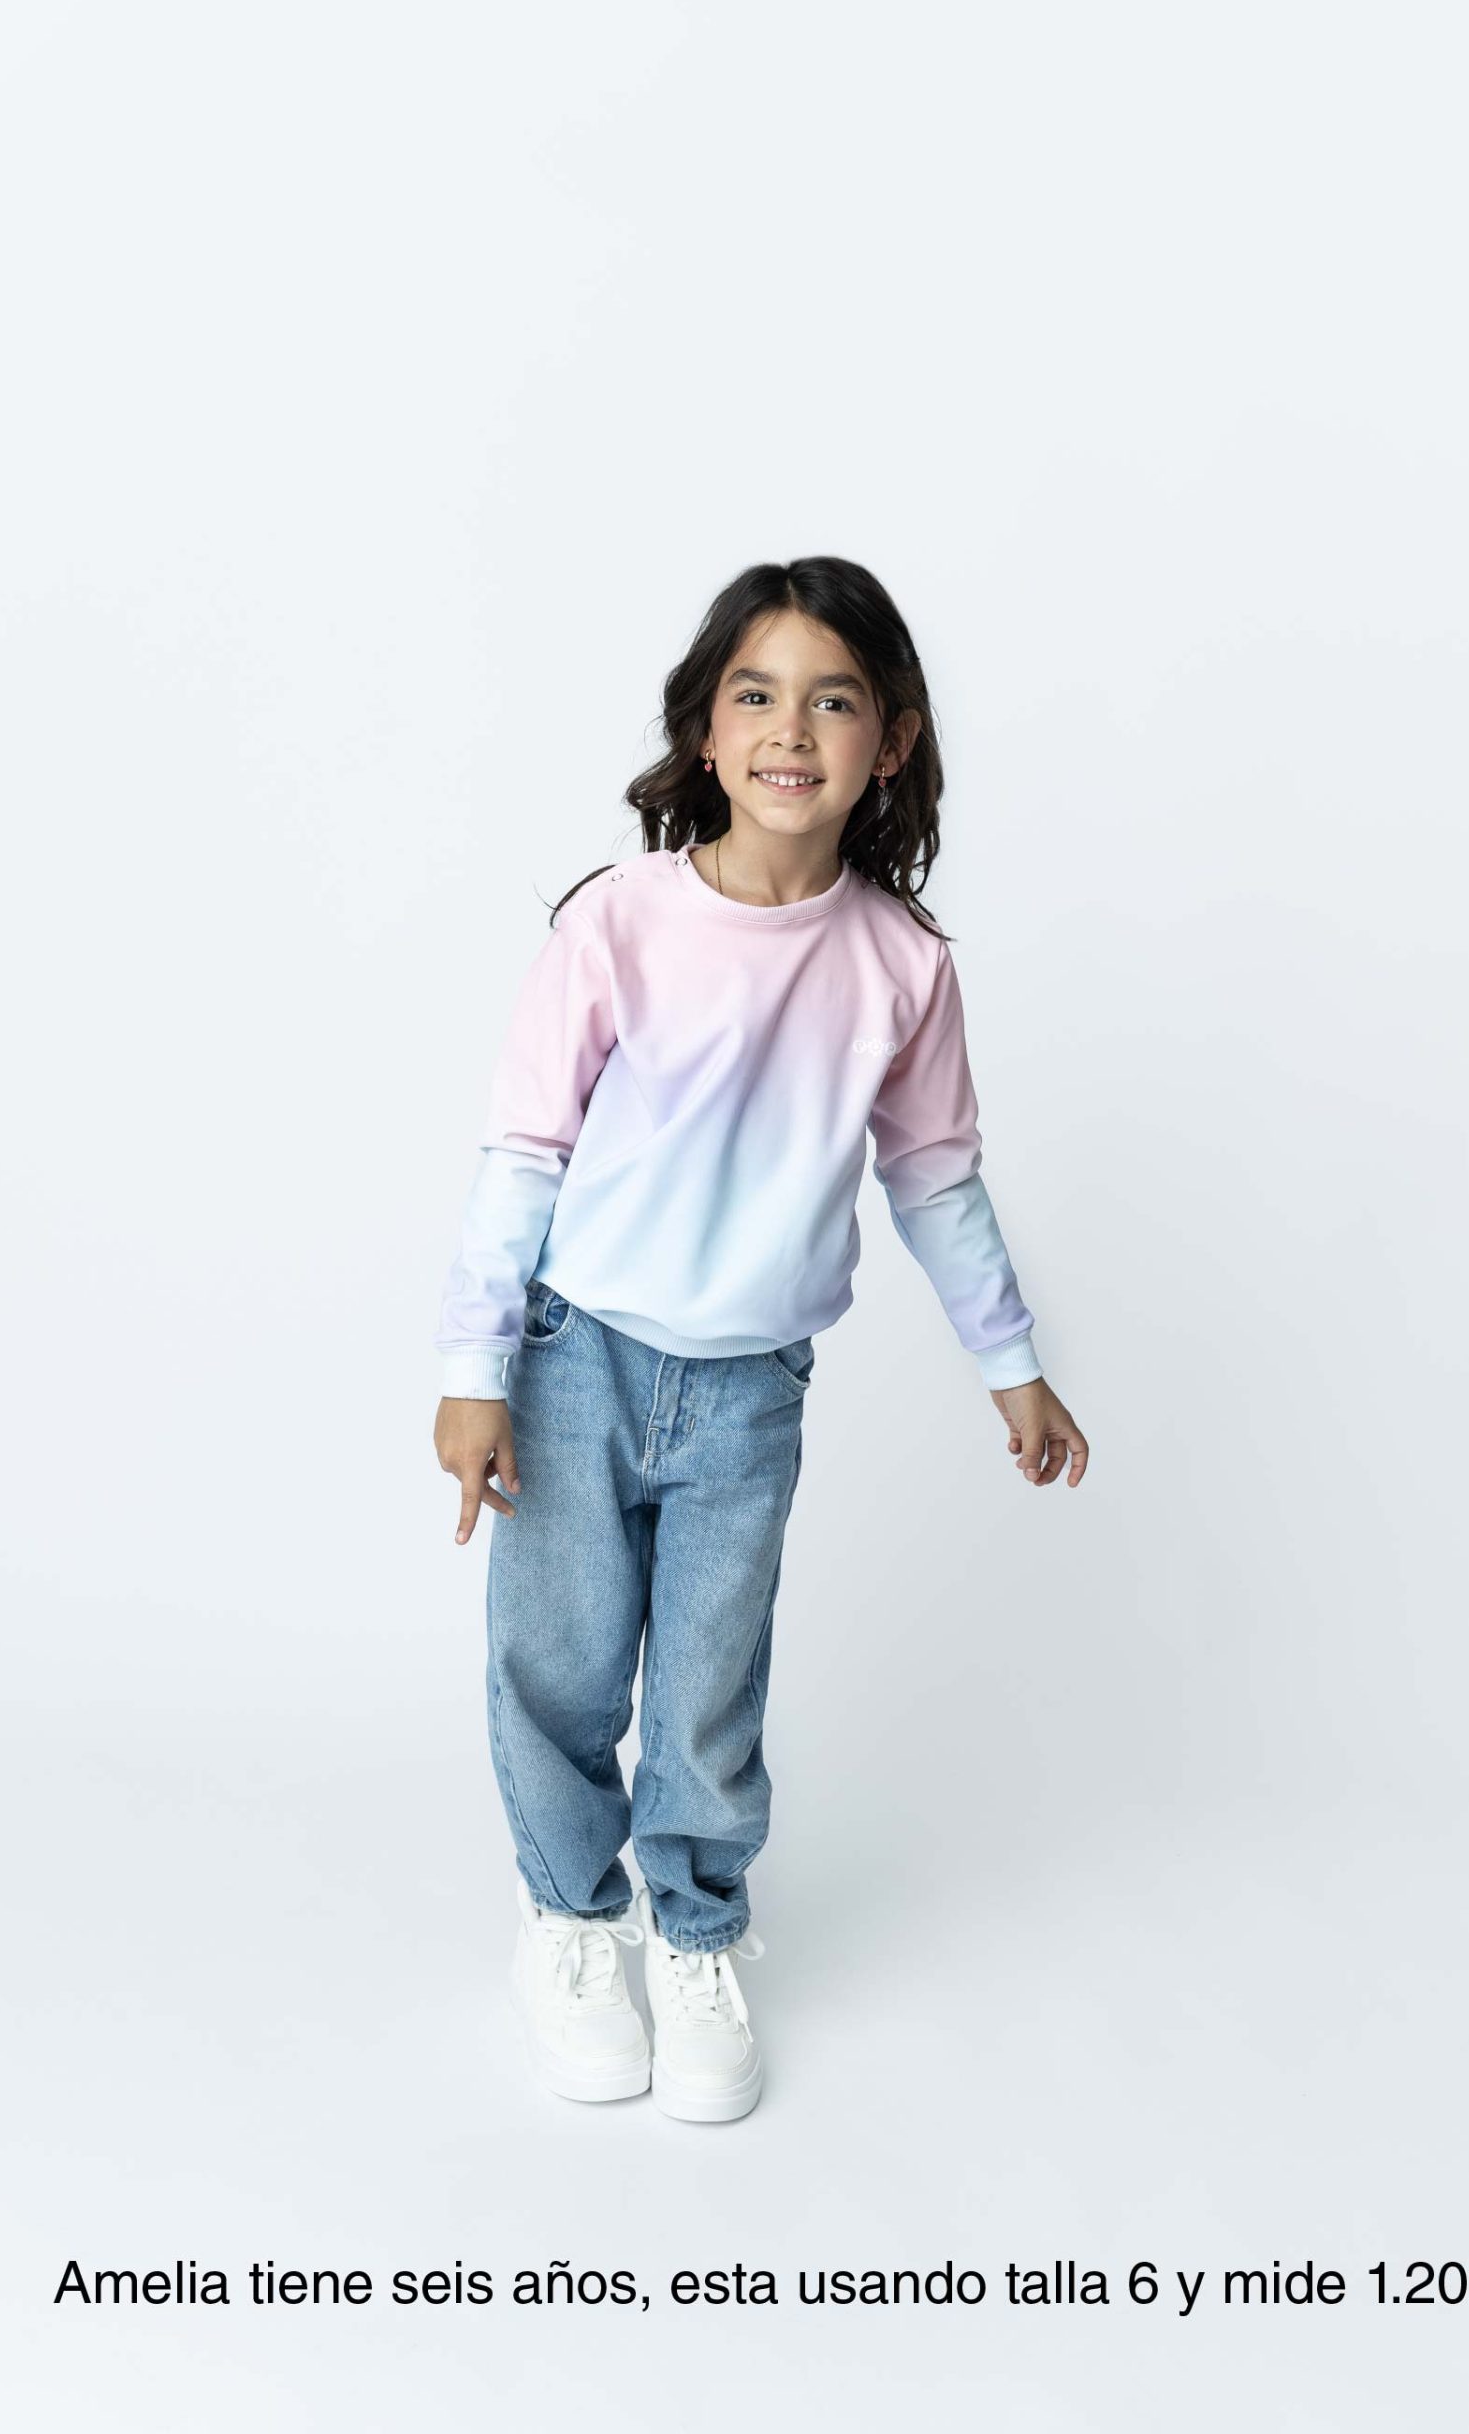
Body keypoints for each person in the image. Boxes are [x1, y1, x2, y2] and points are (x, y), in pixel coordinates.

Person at [432, 556, 1089, 2123]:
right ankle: (572, 1921)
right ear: (708, 732)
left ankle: (698, 1934)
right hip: (574, 1357)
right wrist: (474, 1372)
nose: (792, 728)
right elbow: (523, 1152)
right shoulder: (620, 922)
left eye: (833, 700)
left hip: (748, 1395)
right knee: (560, 1665)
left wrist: (1013, 1365)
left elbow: (935, 1178)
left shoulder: (900, 965)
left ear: (891, 741)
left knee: (709, 1688)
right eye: (757, 694)